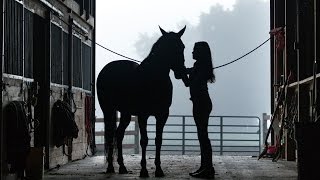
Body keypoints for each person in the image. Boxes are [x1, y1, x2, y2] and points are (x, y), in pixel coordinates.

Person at [182, 41, 216, 179]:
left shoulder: (199, 67)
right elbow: (188, 82)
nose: (192, 52)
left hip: (200, 103)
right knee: (202, 136)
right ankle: (205, 167)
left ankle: (208, 168)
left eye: (195, 50)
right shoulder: (200, 66)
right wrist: (184, 71)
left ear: (200, 52)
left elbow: (190, 83)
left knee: (203, 136)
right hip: (200, 103)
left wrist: (184, 71)